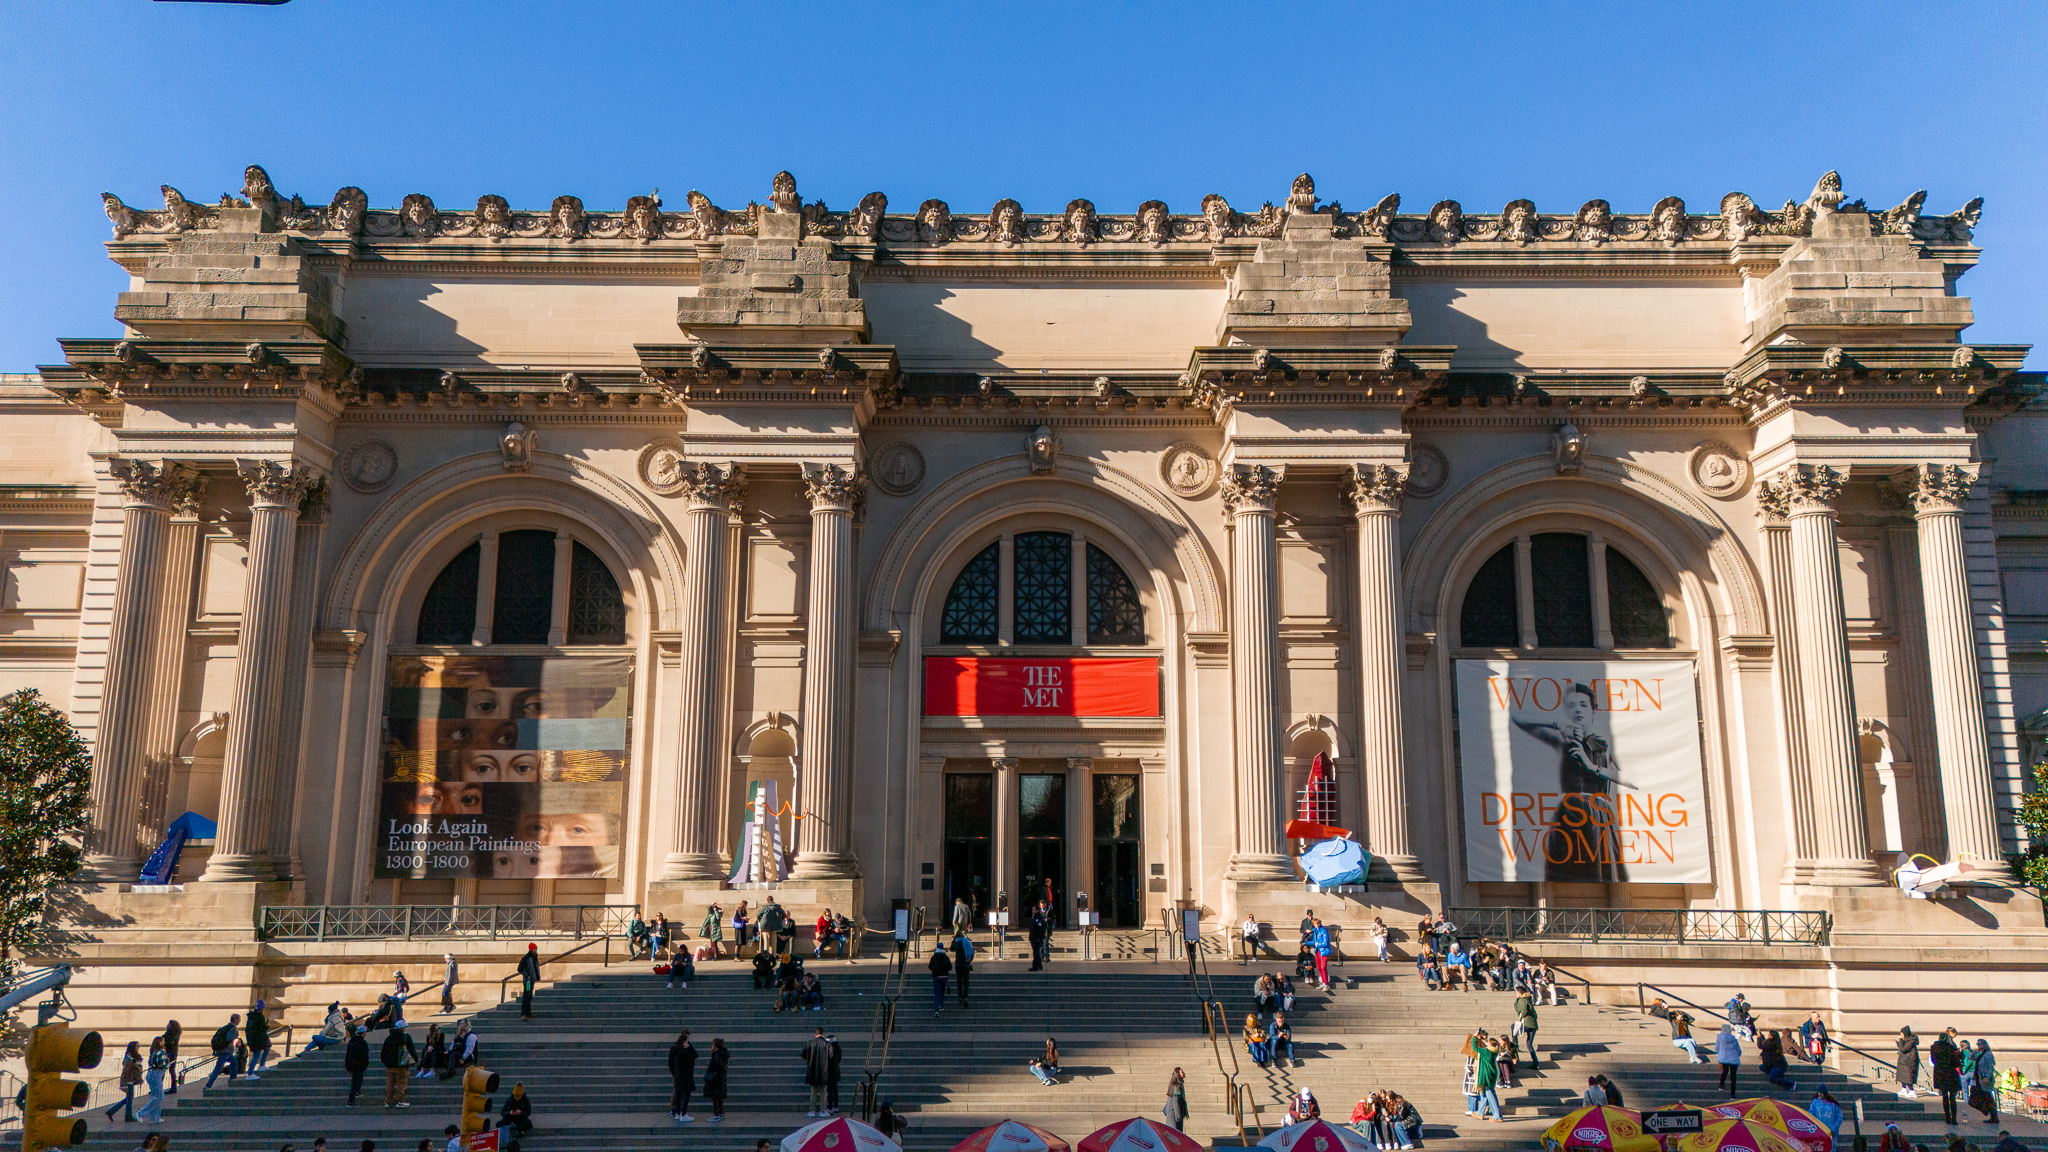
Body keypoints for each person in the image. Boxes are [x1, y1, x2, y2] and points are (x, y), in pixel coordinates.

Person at [379, 1023, 417, 1108]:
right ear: (402, 1028)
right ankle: (399, 1100)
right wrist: (415, 1059)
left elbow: (383, 1052)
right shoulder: (405, 1037)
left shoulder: (389, 1038)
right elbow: (411, 1049)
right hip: (401, 1064)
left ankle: (388, 1101)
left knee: (390, 1083)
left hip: (389, 1065)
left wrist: (385, 1061)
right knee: (401, 1083)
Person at [1932, 1029, 1963, 1125]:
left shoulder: (1934, 1048)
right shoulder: (1950, 1048)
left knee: (1944, 1096)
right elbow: (1956, 1062)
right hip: (1950, 1073)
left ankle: (1947, 1117)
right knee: (1952, 1097)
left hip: (1940, 1073)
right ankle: (1954, 1118)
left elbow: (1933, 1060)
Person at [666, 1028, 697, 1122]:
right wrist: (689, 1048)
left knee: (678, 1093)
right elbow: (694, 1055)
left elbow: (671, 1063)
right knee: (685, 1093)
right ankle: (682, 1113)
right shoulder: (684, 1050)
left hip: (678, 1074)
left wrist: (674, 1073)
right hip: (685, 1075)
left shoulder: (675, 1048)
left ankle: (677, 1112)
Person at [107, 1040, 142, 1123]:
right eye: (137, 1046)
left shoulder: (133, 1056)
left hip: (131, 1080)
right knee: (129, 1099)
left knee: (129, 1098)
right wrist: (123, 1084)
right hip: (129, 1081)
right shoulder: (130, 1058)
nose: (138, 1048)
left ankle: (113, 1112)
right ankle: (126, 1116)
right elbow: (125, 1071)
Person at [801, 1028, 832, 1117]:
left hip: (812, 1069)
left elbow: (803, 1054)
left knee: (813, 1091)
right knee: (823, 1092)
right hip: (823, 1070)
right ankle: (823, 1110)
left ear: (815, 1035)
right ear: (823, 1034)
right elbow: (830, 1055)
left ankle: (812, 1110)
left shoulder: (810, 1043)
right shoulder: (827, 1044)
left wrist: (809, 1059)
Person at [1472, 1032, 1503, 1121]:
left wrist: (1474, 1037)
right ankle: (1480, 1113)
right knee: (1484, 1093)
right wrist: (1483, 1040)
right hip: (1492, 1074)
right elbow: (1488, 1044)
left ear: (1490, 1044)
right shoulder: (1494, 1051)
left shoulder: (1486, 1051)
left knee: (1490, 1094)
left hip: (1486, 1075)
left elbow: (1475, 1047)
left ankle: (1497, 1115)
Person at [205, 1014, 241, 1090]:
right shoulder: (233, 1029)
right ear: (235, 1020)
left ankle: (233, 1080)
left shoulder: (225, 1028)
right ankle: (208, 1086)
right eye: (238, 1019)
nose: (240, 1021)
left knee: (234, 1061)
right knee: (218, 1069)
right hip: (225, 1052)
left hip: (224, 1051)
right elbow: (230, 1039)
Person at [138, 1036, 168, 1124]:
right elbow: (162, 1064)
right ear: (160, 1042)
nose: (164, 1042)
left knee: (154, 1096)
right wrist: (168, 1063)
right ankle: (141, 1113)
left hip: (151, 1074)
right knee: (159, 1097)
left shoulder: (153, 1051)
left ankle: (154, 1118)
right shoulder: (161, 1052)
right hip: (156, 1074)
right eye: (163, 1041)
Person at [1760, 1026, 1797, 1092]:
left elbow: (1762, 1045)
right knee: (1761, 1067)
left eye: (1768, 1035)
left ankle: (1791, 1084)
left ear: (1771, 1036)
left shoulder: (1772, 1043)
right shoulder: (1771, 1044)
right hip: (1774, 1065)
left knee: (1772, 1078)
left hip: (1779, 1066)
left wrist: (1759, 1037)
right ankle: (1778, 1075)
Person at [1972, 1039, 2000, 1123]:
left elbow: (1991, 1067)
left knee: (1988, 1097)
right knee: (1982, 1097)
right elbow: (1970, 1058)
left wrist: (1987, 1077)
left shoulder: (1988, 1054)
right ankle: (1987, 1111)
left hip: (1985, 1079)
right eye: (1977, 1044)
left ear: (1985, 1045)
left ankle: (1993, 1116)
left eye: (1980, 1044)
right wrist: (1975, 1051)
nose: (1978, 1045)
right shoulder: (1980, 1055)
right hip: (1979, 1079)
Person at [343, 1025, 370, 1106]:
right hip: (359, 1066)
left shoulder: (352, 1042)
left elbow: (348, 1054)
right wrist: (365, 1065)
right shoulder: (362, 1043)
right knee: (356, 1082)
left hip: (352, 1065)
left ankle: (355, 1095)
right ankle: (351, 1101)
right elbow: (365, 1055)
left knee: (355, 1081)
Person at [704, 1038, 728, 1123]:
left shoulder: (717, 1055)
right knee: (719, 1097)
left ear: (716, 1046)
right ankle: (721, 1113)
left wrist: (713, 1071)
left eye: (713, 1044)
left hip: (715, 1080)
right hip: (720, 1079)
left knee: (715, 1097)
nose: (712, 1046)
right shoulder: (722, 1054)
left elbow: (718, 1066)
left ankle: (716, 1114)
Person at [246, 1000, 272, 1078]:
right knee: (256, 1056)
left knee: (266, 1049)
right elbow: (262, 1028)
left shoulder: (251, 1017)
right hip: (258, 1040)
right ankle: (250, 1074)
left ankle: (261, 1065)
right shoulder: (259, 1017)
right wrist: (267, 1026)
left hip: (254, 1039)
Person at [1513, 987, 1540, 1063]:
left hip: (1526, 1023)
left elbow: (1523, 1011)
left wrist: (1516, 1002)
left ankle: (1515, 1045)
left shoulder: (1522, 1000)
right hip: (1533, 1025)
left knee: (1513, 1028)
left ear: (1520, 993)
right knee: (1529, 1044)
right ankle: (1535, 1062)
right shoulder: (1528, 999)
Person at [1715, 1023, 1743, 1097]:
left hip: (1723, 1058)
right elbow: (1738, 1050)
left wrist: (1719, 1055)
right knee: (1733, 1077)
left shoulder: (1719, 1037)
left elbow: (1716, 1049)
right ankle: (1732, 1094)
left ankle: (1721, 1085)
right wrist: (1738, 1055)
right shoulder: (1733, 1038)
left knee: (1725, 1071)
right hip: (1734, 1058)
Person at [1308, 917, 1333, 991]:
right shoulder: (1316, 931)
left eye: (1318, 923)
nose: (1317, 925)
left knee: (1323, 967)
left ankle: (1326, 984)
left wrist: (1318, 944)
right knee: (1319, 968)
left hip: (1323, 951)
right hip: (1318, 951)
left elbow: (1326, 943)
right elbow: (1314, 942)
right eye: (1315, 924)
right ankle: (1323, 982)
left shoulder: (1323, 931)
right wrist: (1305, 943)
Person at [516, 943, 541, 1019]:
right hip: (528, 980)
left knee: (529, 995)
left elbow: (536, 968)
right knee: (526, 995)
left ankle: (528, 1012)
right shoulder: (527, 957)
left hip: (532, 980)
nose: (536, 950)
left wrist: (537, 977)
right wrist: (527, 975)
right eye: (535, 948)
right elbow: (519, 969)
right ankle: (524, 1013)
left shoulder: (534, 957)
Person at [951, 932, 974, 1008]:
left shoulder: (957, 942)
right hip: (966, 963)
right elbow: (972, 952)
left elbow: (951, 949)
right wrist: (969, 961)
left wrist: (953, 941)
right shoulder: (967, 942)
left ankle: (960, 996)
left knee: (959, 980)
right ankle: (966, 996)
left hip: (959, 963)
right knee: (966, 980)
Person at [1896, 1026, 1921, 1097]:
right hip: (1904, 1061)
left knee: (1909, 1076)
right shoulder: (1907, 1040)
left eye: (1902, 1033)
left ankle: (1911, 1091)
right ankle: (1904, 1088)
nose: (1901, 1035)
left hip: (1908, 1062)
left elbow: (1904, 1049)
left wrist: (1900, 1040)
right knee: (1903, 1076)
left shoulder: (1911, 1041)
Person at [928, 943, 952, 1015]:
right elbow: (950, 967)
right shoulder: (946, 957)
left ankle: (936, 1008)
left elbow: (930, 966)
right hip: (944, 976)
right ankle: (941, 1005)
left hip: (936, 976)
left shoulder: (934, 957)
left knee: (937, 992)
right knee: (942, 991)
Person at [824, 1032, 843, 1115]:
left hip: (829, 1072)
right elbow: (839, 1060)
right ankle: (836, 1106)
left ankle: (830, 1107)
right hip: (836, 1071)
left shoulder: (829, 1050)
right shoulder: (838, 1050)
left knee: (830, 1090)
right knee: (835, 1089)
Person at [162, 1020, 182, 1095]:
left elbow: (166, 1041)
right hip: (172, 1053)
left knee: (165, 1070)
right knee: (170, 1070)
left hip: (170, 1053)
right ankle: (173, 1087)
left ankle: (171, 1087)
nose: (167, 1025)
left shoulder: (172, 1034)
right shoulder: (174, 1033)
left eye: (169, 1024)